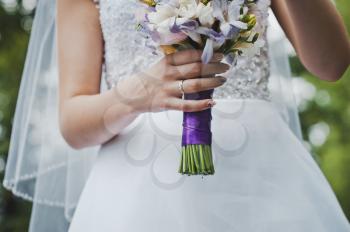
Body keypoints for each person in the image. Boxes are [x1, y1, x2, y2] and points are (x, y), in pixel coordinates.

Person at [3, 0, 350, 231]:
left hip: (264, 181)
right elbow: (73, 123)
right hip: (139, 188)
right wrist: (141, 91)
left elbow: (332, 63)